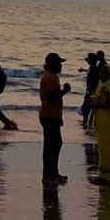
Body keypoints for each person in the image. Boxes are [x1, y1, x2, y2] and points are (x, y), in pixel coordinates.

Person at [39, 52, 71, 187]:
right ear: (52, 64)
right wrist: (64, 91)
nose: (60, 66)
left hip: (51, 115)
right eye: (59, 63)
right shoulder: (49, 78)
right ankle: (49, 175)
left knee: (53, 145)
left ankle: (52, 173)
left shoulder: (52, 77)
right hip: (49, 116)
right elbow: (52, 98)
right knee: (53, 145)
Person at [90, 63, 110, 185]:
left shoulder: (106, 86)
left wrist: (95, 104)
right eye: (101, 72)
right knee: (103, 146)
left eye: (105, 73)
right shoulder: (103, 85)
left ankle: (106, 177)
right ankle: (104, 175)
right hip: (103, 119)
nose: (102, 74)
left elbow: (108, 104)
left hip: (106, 120)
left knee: (106, 147)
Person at [79, 52, 100, 128]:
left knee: (86, 108)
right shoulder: (91, 67)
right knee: (87, 108)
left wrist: (92, 93)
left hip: (92, 92)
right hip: (89, 91)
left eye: (88, 58)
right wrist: (83, 70)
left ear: (91, 60)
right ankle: (87, 123)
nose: (87, 60)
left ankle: (87, 123)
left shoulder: (95, 69)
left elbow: (96, 81)